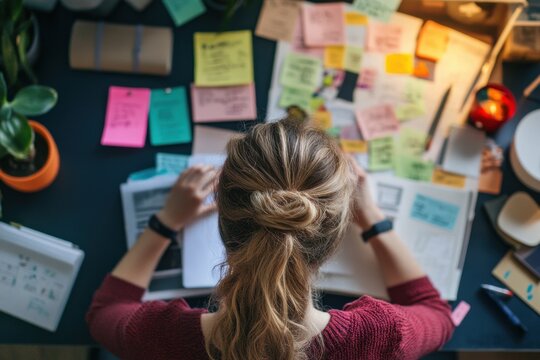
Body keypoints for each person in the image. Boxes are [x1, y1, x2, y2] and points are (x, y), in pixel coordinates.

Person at [86, 118, 455, 360]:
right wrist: (373, 219)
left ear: (225, 221)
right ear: (331, 238)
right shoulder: (380, 338)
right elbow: (436, 314)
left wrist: (165, 223)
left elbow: (105, 312)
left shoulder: (162, 338)